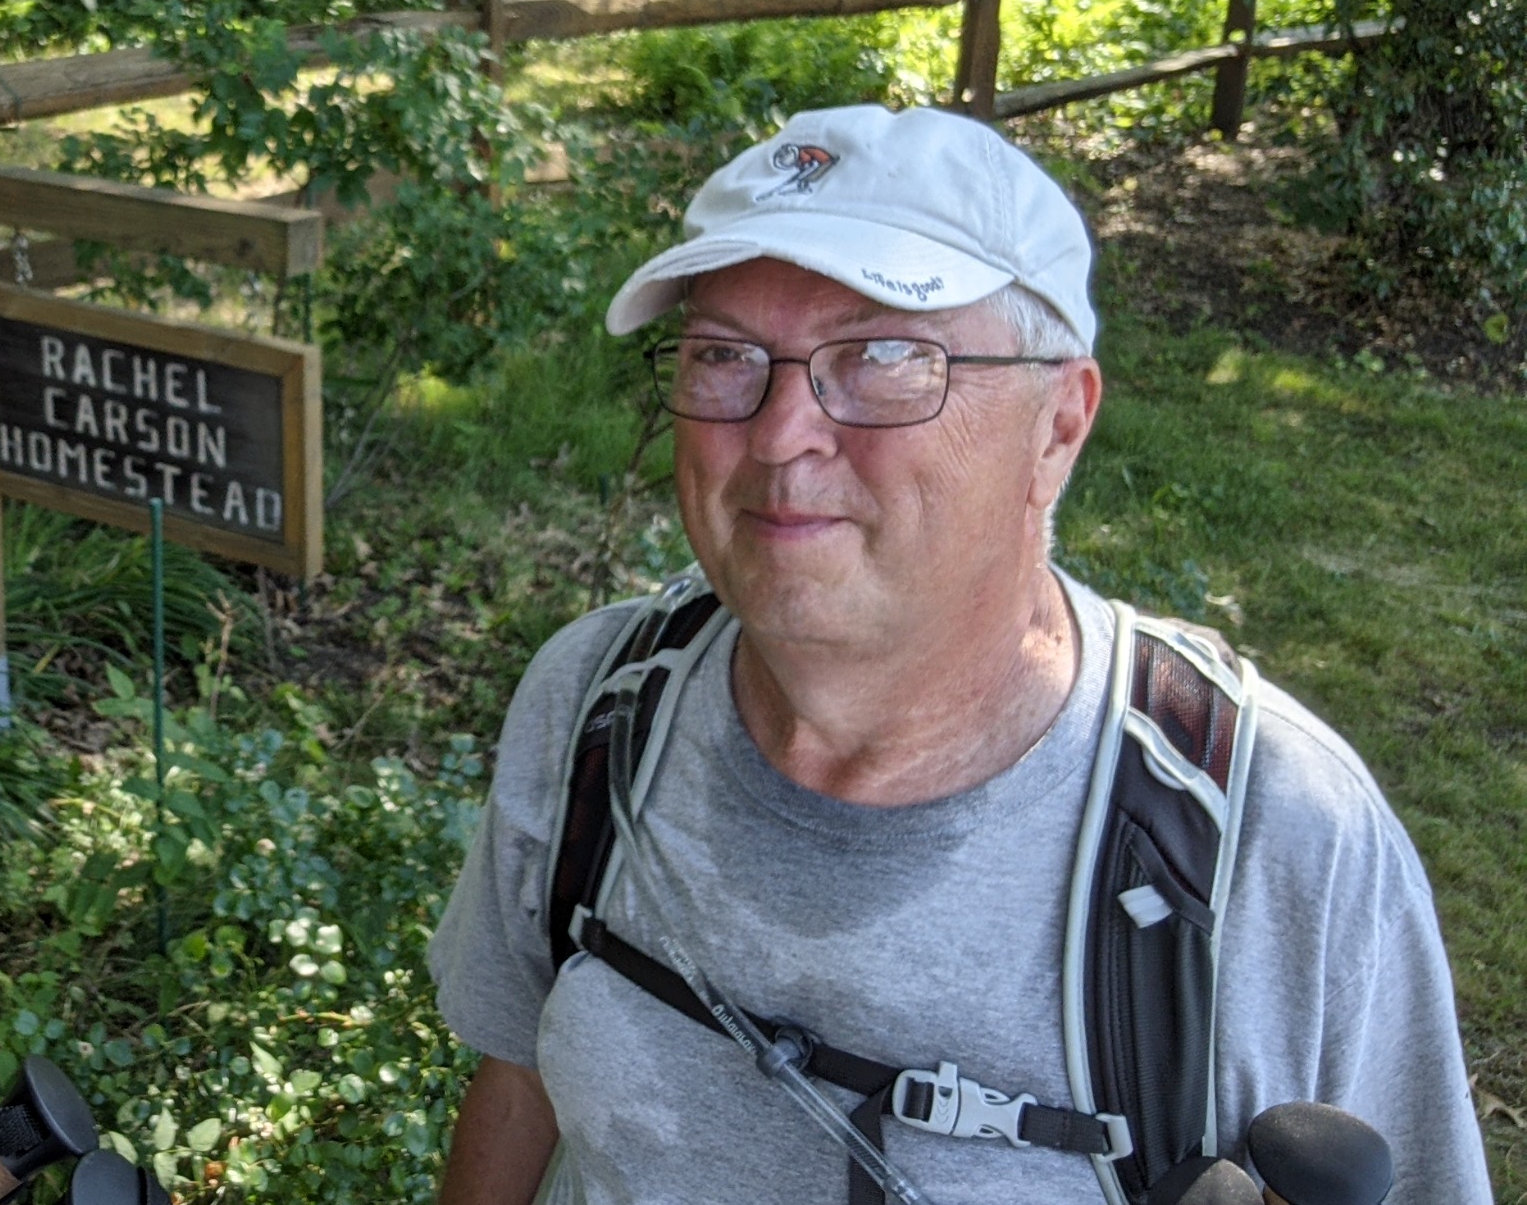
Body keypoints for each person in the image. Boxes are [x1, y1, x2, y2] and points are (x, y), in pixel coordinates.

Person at [427, 106, 1492, 1205]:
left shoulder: (1271, 842)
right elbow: (520, 1078)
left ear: (1058, 428)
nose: (781, 428)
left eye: (885, 355)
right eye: (722, 355)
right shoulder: (600, 705)